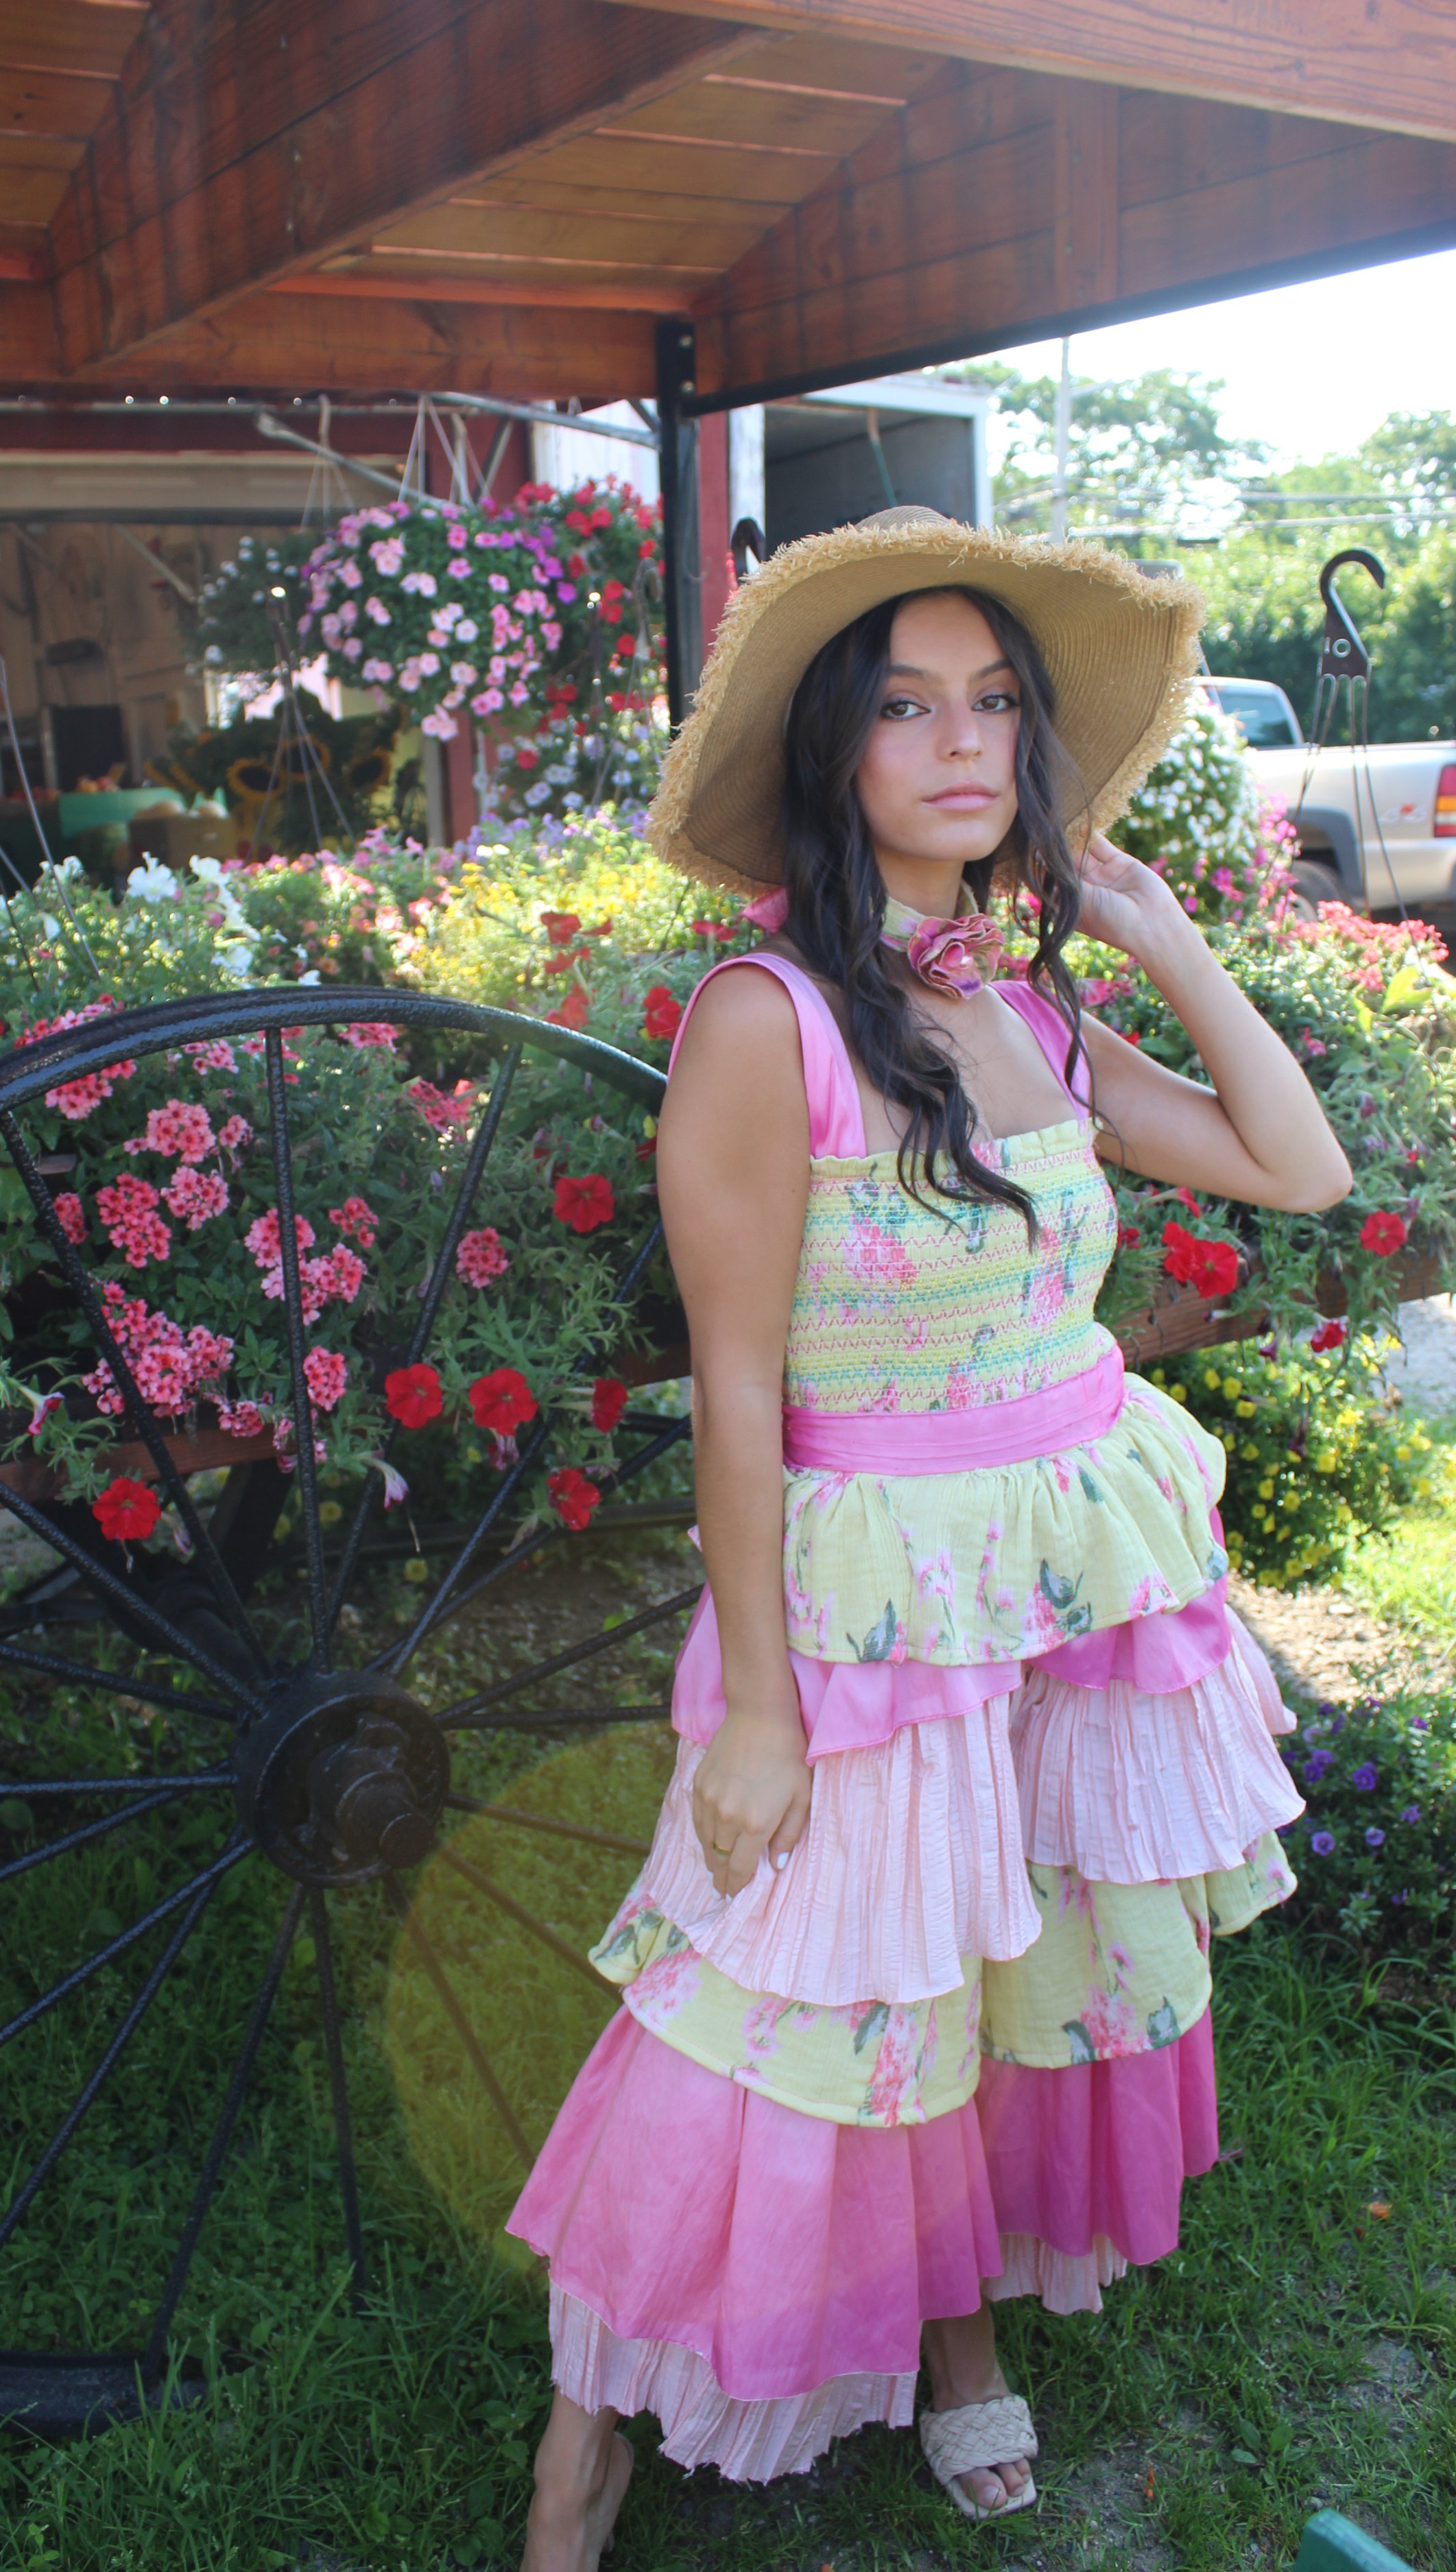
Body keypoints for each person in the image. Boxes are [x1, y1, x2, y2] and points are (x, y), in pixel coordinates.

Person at [508, 508, 1350, 2564]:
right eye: (907, 706)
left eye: (993, 705)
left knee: (1007, 1961)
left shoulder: (1031, 1014)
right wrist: (759, 1712)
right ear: (835, 753)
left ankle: (958, 2337)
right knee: (787, 2001)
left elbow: (1297, 1167)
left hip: (1067, 1579)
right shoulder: (765, 1021)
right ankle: (583, 2442)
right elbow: (736, 1392)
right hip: (879, 1604)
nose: (963, 744)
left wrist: (1152, 930)